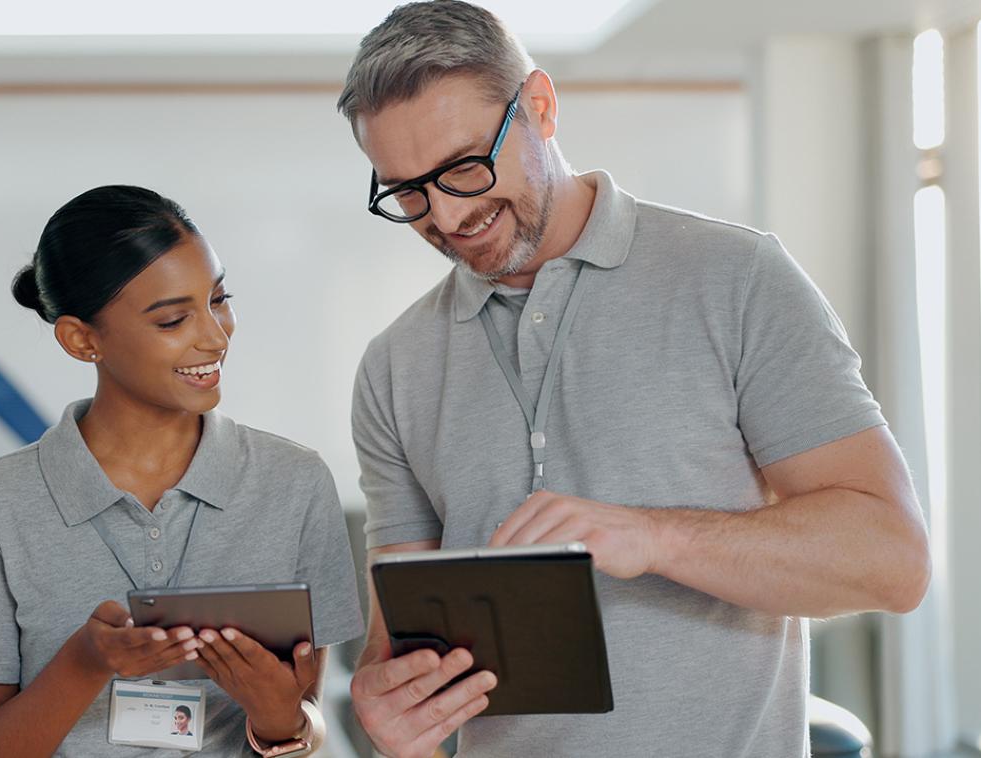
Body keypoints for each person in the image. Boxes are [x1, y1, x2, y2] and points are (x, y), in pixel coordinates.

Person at [336, 2, 932, 756]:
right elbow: (399, 656)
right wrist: (387, 710)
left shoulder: (736, 280)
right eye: (409, 193)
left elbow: (893, 562)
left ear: (541, 108)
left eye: (462, 168)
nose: (448, 217)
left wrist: (653, 536)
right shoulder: (395, 366)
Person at [0, 185, 363, 757]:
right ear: (82, 340)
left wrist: (282, 720)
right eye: (174, 318)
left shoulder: (295, 482)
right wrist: (86, 664)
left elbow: (308, 717)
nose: (216, 334)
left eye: (219, 298)